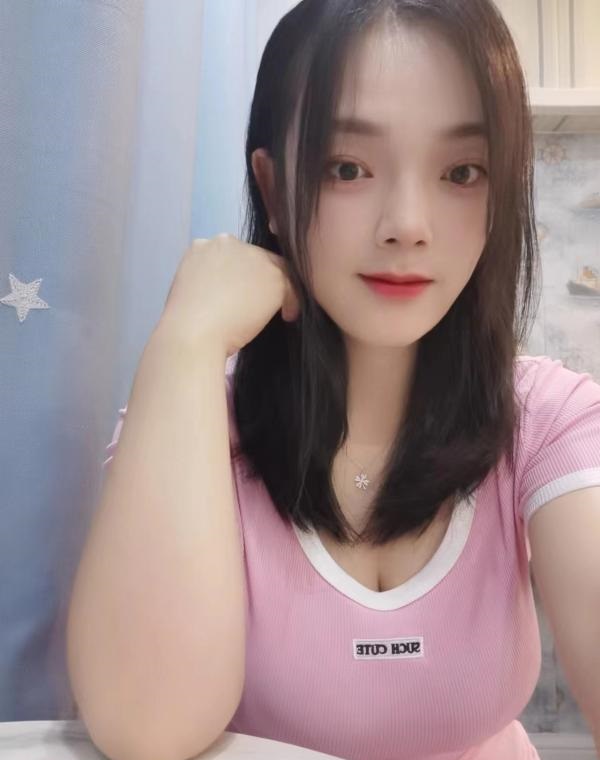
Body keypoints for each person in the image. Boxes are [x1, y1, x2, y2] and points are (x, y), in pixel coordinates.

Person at [66, 1, 600, 759]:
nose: (408, 223)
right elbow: (144, 728)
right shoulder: (191, 421)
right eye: (348, 168)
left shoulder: (550, 419)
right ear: (272, 190)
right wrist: (186, 340)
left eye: (461, 172)